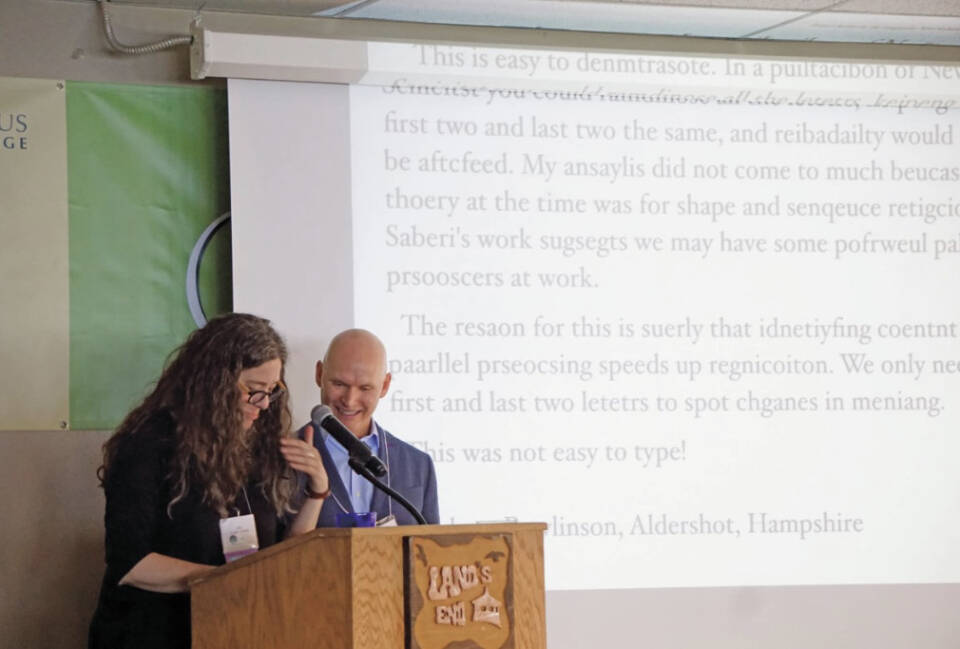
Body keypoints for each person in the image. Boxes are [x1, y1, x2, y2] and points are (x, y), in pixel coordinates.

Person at [88, 313, 330, 649]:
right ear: (214, 383)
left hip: (233, 629)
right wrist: (226, 581)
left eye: (271, 391)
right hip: (152, 632)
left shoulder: (258, 447)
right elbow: (131, 565)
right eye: (253, 391)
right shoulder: (147, 444)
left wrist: (317, 490)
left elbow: (280, 558)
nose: (263, 404)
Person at [309, 328, 439, 526]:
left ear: (385, 385)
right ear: (319, 374)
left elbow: (431, 544)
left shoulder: (418, 465)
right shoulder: (279, 458)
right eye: (339, 384)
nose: (350, 400)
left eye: (365, 388)